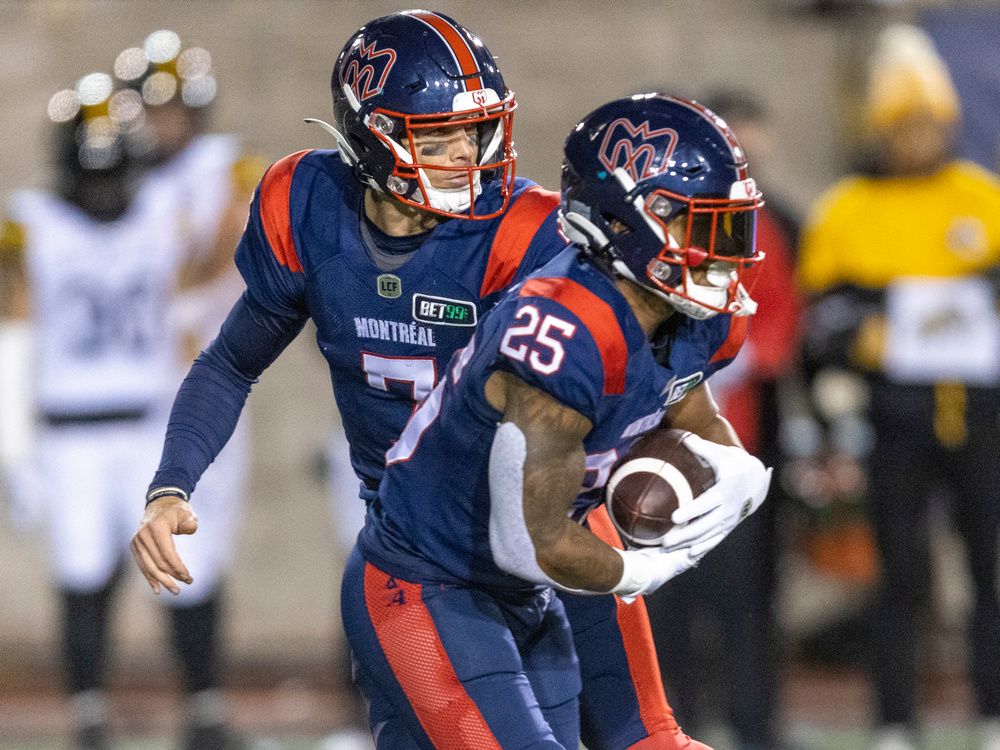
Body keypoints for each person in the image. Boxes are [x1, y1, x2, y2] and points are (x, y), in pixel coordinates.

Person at [130, 11, 706, 749]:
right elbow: (230, 362)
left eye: (477, 131)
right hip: (425, 563)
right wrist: (172, 484)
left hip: (550, 546)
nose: (468, 153)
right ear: (371, 140)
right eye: (439, 138)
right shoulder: (310, 209)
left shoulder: (529, 234)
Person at [337, 93, 772, 747]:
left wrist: (736, 473)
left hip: (555, 563)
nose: (721, 251)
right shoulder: (563, 329)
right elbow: (527, 541)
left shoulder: (697, 317)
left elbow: (690, 412)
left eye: (729, 226)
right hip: (434, 582)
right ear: (625, 221)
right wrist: (643, 570)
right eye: (698, 225)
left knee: (650, 739)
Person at [0, 71, 243, 750]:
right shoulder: (31, 225)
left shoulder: (167, 208)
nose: (106, 192)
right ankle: (88, 716)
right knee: (82, 574)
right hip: (71, 435)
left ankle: (203, 709)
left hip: (149, 424)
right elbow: (14, 331)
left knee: (187, 566)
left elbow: (214, 264)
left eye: (115, 176)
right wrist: (15, 450)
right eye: (93, 177)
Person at [798, 24, 1000, 750]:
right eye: (903, 125)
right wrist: (860, 341)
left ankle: (991, 709)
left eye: (928, 125)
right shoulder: (846, 211)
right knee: (899, 577)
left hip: (981, 417)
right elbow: (819, 323)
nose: (917, 138)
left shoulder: (984, 200)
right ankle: (892, 718)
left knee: (991, 572)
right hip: (896, 418)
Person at [116, 30, 262, 750]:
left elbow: (228, 247)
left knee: (198, 544)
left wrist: (173, 298)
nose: (157, 124)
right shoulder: (125, 176)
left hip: (204, 379)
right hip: (138, 388)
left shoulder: (223, 167)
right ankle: (183, 705)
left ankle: (202, 706)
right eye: (149, 109)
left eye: (168, 109)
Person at [646, 89, 802, 750]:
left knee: (742, 596)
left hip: (732, 434)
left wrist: (732, 359)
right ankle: (663, 723)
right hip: (653, 441)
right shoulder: (653, 218)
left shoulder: (767, 224)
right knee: (660, 596)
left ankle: (753, 722)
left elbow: (780, 319)